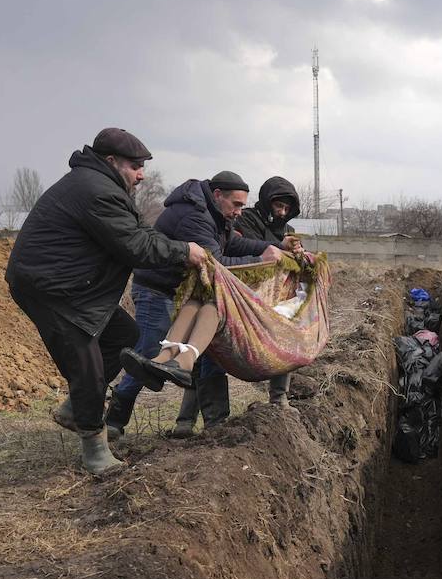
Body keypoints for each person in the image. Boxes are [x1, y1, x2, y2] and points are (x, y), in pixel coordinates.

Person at [5, 127, 207, 475]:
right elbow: (134, 246)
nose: (141, 174)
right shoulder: (96, 191)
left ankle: (74, 408)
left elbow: (140, 232)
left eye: (142, 166)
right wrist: (183, 251)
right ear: (112, 161)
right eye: (135, 166)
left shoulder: (107, 187)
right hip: (52, 289)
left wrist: (178, 249)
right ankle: (95, 448)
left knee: (124, 336)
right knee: (88, 364)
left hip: (76, 288)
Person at [103, 171, 297, 438]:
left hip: (186, 291)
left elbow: (234, 243)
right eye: (236, 204)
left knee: (208, 352)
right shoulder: (196, 217)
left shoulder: (217, 215)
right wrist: (261, 261)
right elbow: (214, 264)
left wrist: (272, 246)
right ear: (217, 195)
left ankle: (215, 422)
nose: (239, 211)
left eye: (242, 205)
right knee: (148, 353)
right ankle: (114, 420)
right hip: (158, 289)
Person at [234, 176, 305, 410]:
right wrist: (280, 246)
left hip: (277, 297)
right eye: (278, 206)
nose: (282, 212)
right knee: (215, 354)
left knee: (286, 337)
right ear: (267, 202)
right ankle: (199, 418)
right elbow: (244, 246)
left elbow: (293, 262)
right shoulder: (246, 219)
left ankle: (279, 399)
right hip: (242, 295)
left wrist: (298, 252)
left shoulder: (288, 230)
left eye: (287, 208)